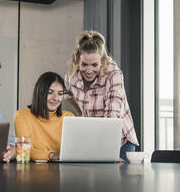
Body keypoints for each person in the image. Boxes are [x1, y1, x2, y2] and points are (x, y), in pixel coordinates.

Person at [64, 30, 139, 163]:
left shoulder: (113, 74)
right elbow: (67, 94)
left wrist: (109, 152)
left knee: (117, 182)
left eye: (94, 65)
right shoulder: (71, 75)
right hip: (92, 138)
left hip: (119, 140)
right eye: (84, 64)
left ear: (102, 61)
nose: (88, 70)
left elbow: (112, 115)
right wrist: (80, 112)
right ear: (77, 60)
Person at [14, 71, 74, 161]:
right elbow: (24, 151)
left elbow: (75, 150)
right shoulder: (22, 116)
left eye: (60, 94)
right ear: (39, 92)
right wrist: (52, 155)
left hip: (64, 170)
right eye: (50, 92)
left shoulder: (69, 117)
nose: (55, 98)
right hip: (33, 171)